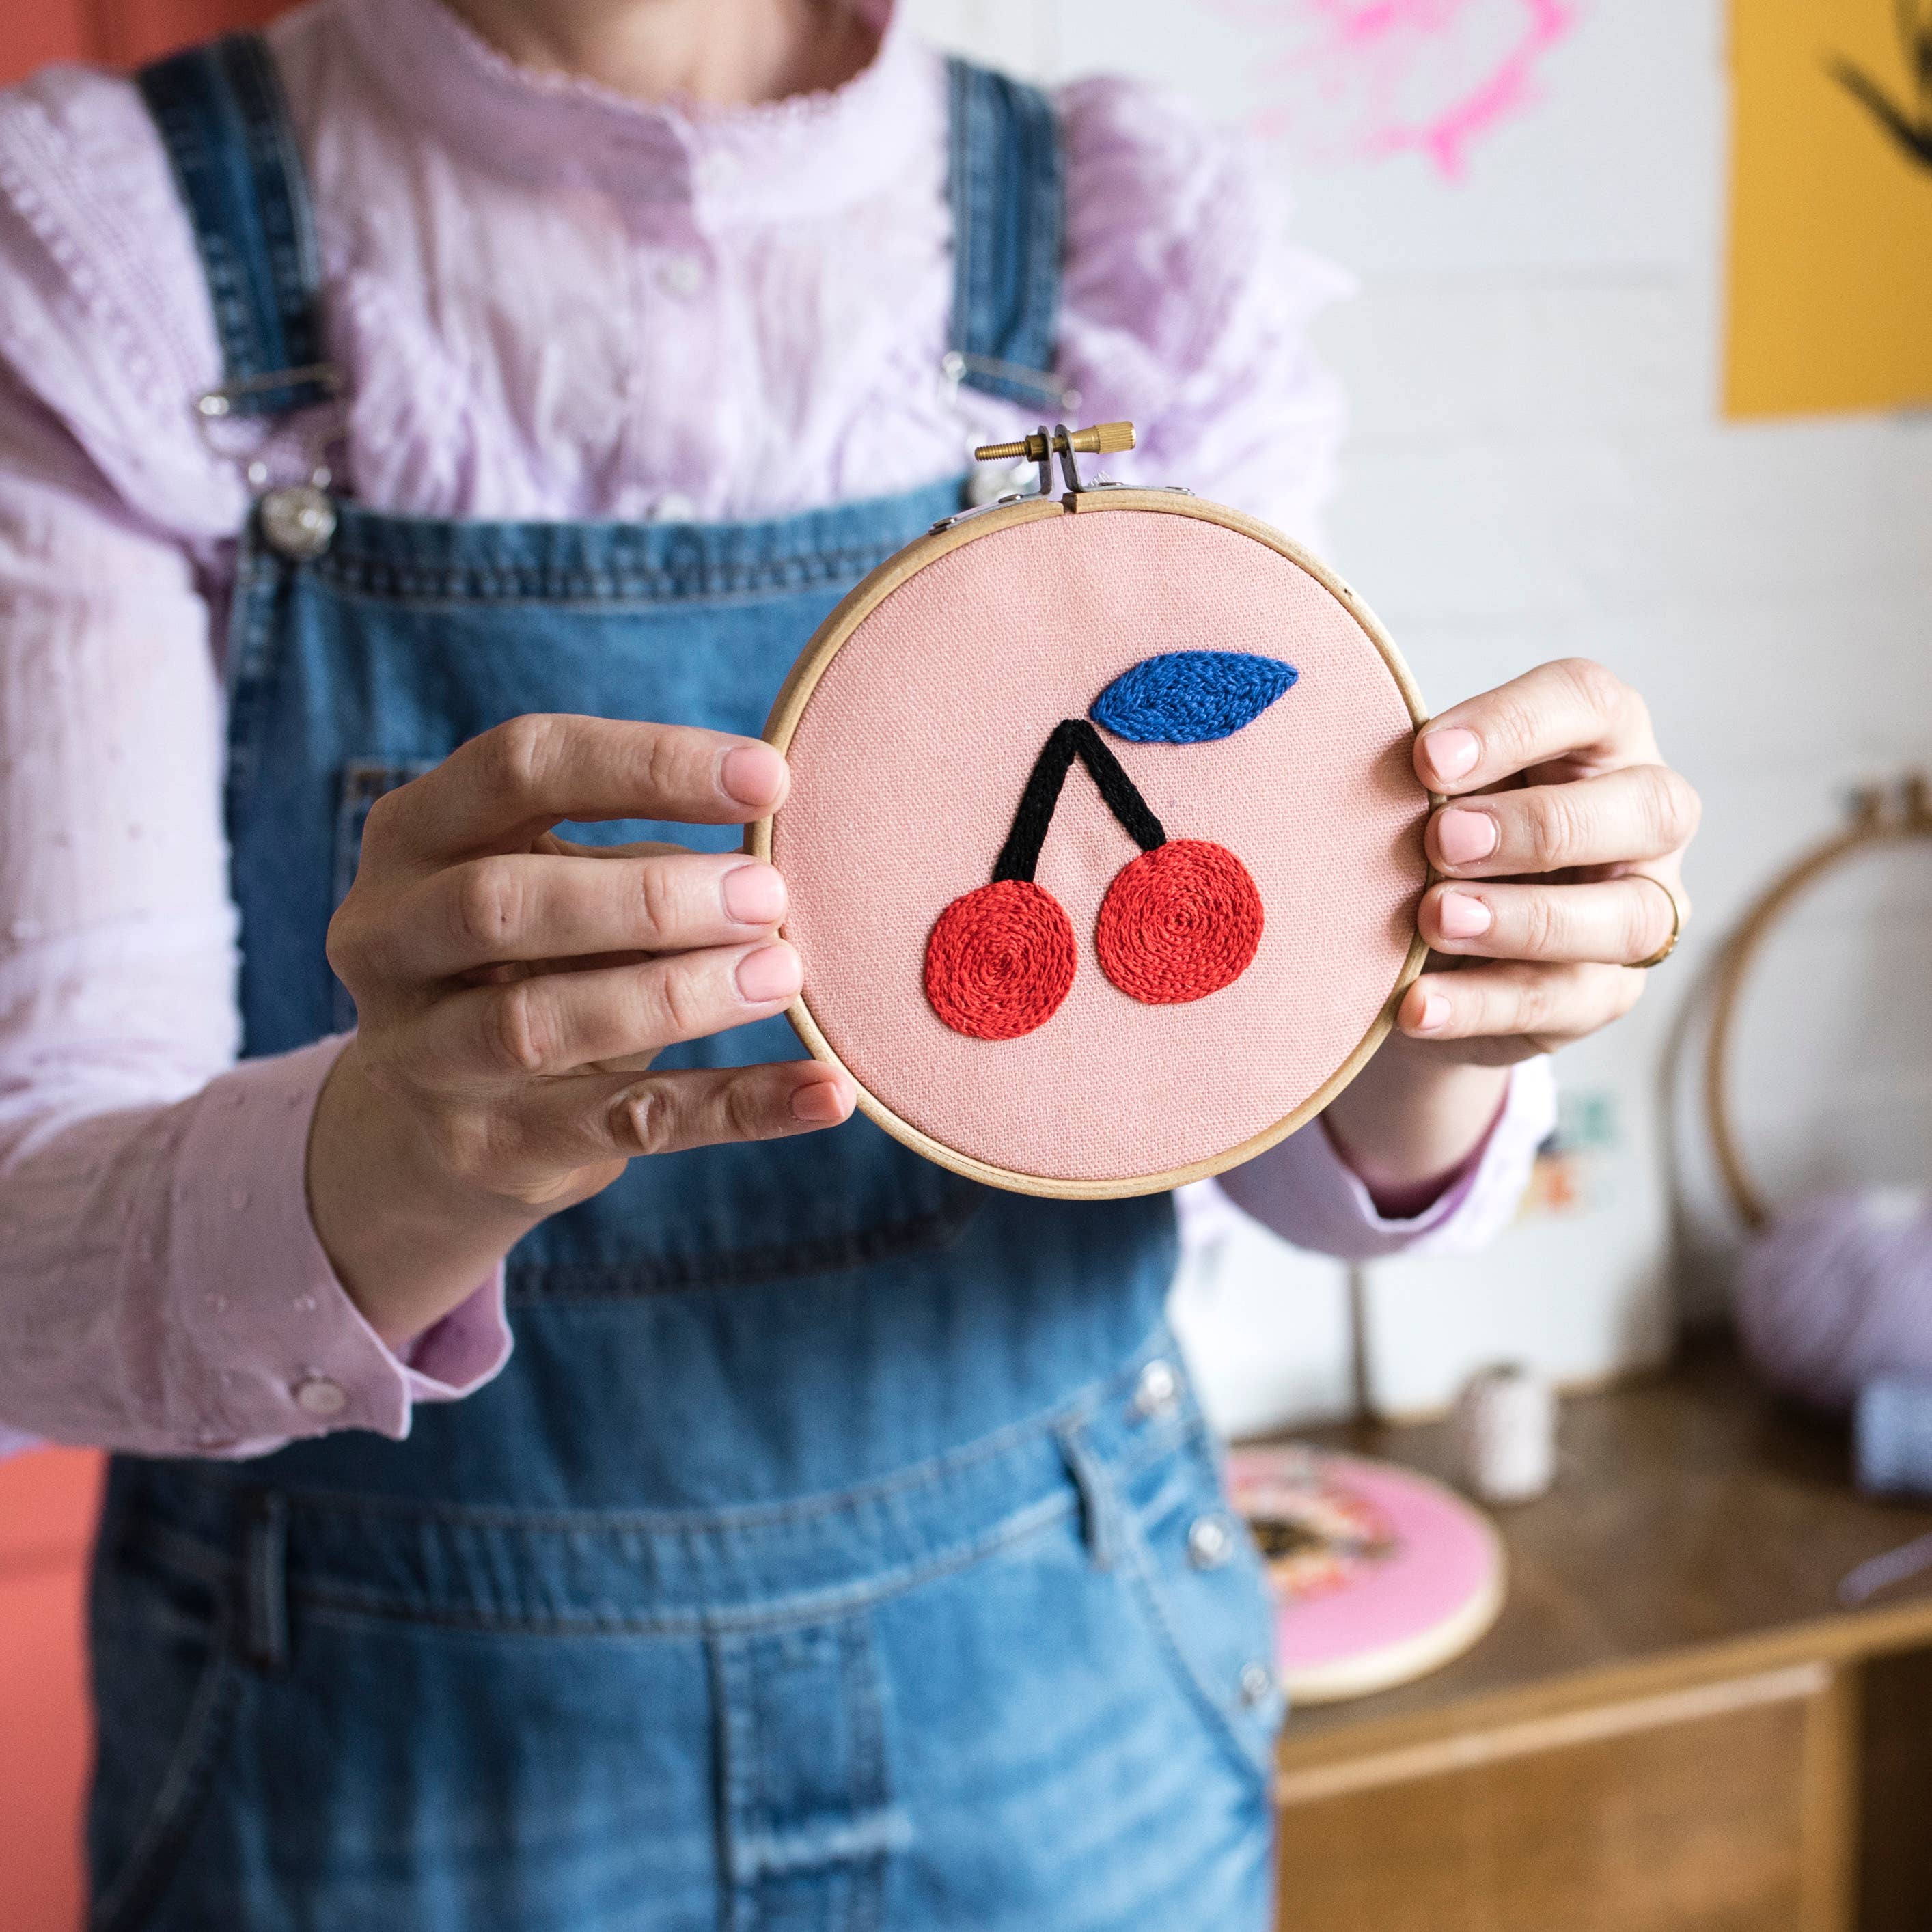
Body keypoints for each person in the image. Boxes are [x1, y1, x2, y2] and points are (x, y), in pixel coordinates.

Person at [0, 1, 1697, 1924]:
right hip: (383, 1763)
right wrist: (403, 1153)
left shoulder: (1123, 252)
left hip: (1064, 1720)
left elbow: (1244, 1083)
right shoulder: (128, 270)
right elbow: (21, 1250)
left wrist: (1445, 992)